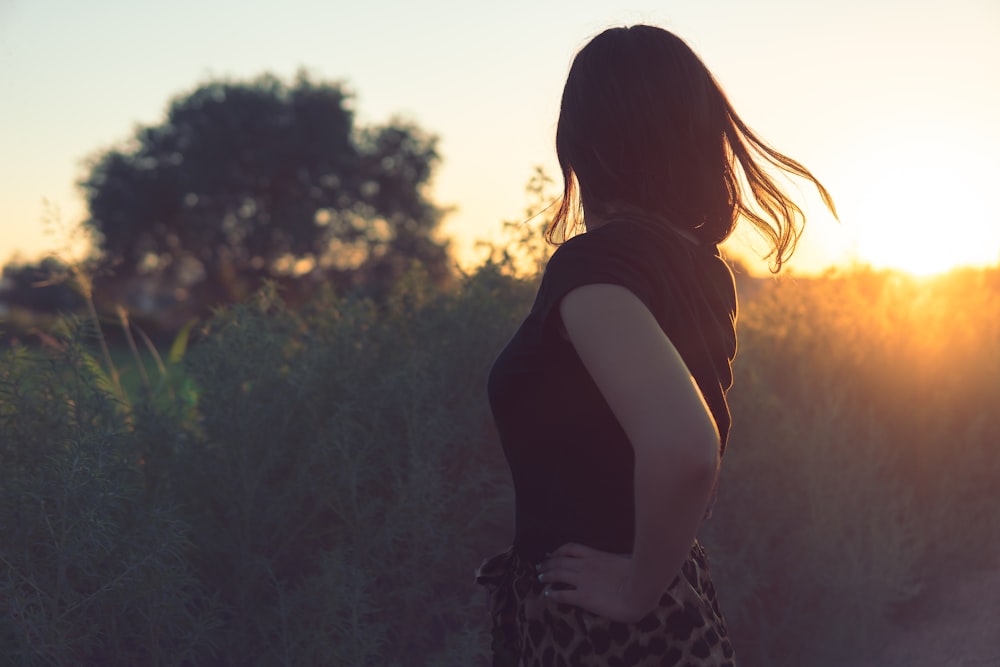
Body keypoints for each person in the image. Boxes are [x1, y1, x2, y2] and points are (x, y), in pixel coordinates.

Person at [476, 24, 836, 666]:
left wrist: (632, 590)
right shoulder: (697, 266)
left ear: (583, 141)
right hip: (671, 598)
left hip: (600, 628)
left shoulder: (594, 267)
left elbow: (686, 448)